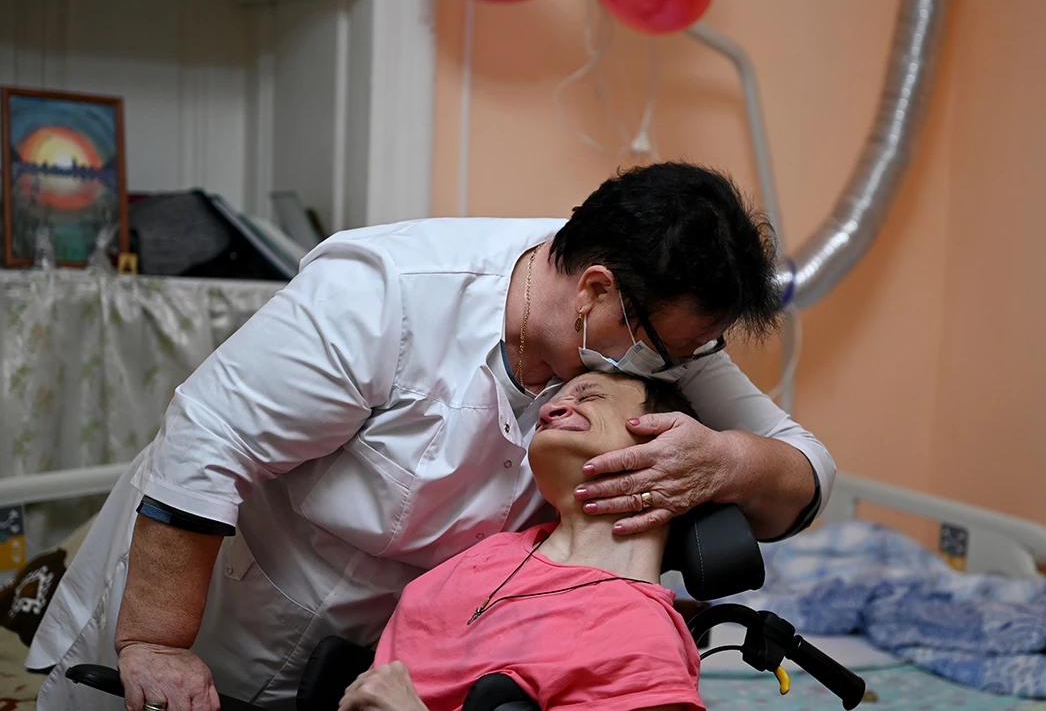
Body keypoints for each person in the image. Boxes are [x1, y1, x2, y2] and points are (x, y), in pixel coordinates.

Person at [27, 162, 836, 711]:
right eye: (663, 351)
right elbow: (207, 440)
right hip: (201, 615)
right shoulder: (386, 295)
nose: (676, 368)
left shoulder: (655, 335)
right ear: (595, 293)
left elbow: (808, 471)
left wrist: (727, 459)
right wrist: (158, 641)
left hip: (362, 669)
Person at [341, 371, 708, 711]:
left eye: (590, 397)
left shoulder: (640, 638)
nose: (548, 411)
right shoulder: (490, 553)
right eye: (550, 406)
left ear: (666, 444)